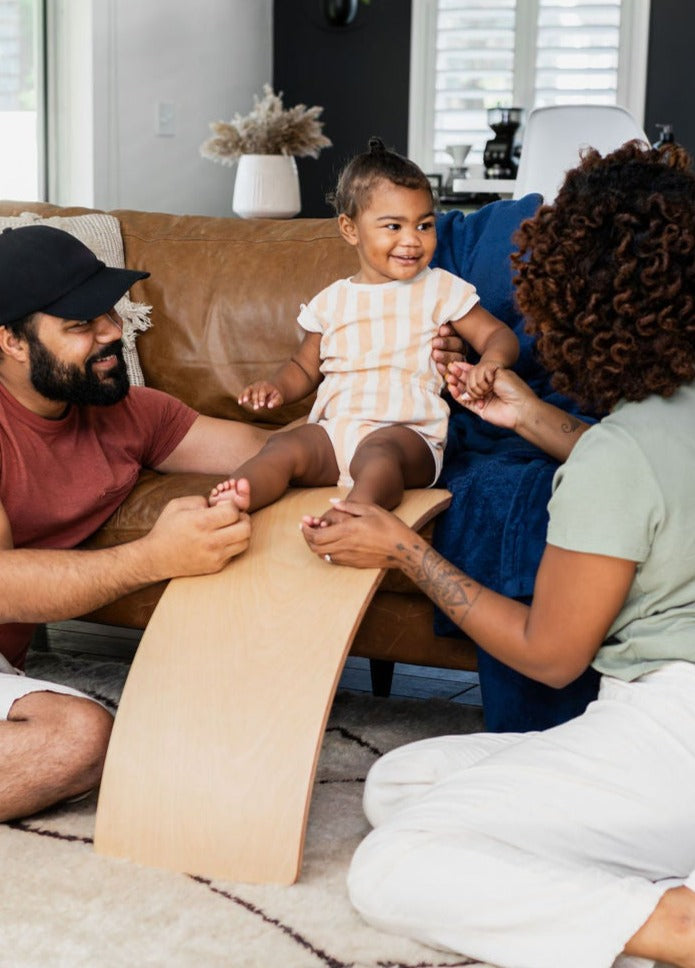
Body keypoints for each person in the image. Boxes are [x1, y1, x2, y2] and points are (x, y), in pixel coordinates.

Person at [302, 141, 695, 967]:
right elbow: (639, 461)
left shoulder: (618, 454)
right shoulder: (651, 427)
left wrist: (406, 549)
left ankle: (674, 922)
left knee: (393, 866)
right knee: (398, 784)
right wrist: (524, 414)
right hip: (666, 732)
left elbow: (550, 659)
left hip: (673, 729)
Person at [0, 223, 463, 822]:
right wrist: (153, 556)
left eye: (108, 312)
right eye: (80, 325)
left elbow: (285, 450)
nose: (112, 332)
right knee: (77, 740)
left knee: (83, 737)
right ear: (10, 341)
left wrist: (395, 389)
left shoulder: (125, 412)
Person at [209, 138, 518, 523]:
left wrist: (492, 362)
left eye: (424, 225)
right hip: (335, 432)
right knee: (284, 446)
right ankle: (238, 494)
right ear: (350, 229)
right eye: (393, 226)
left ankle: (360, 508)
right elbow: (304, 368)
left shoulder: (440, 288)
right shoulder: (331, 301)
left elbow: (498, 335)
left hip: (408, 435)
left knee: (379, 454)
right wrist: (276, 387)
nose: (412, 239)